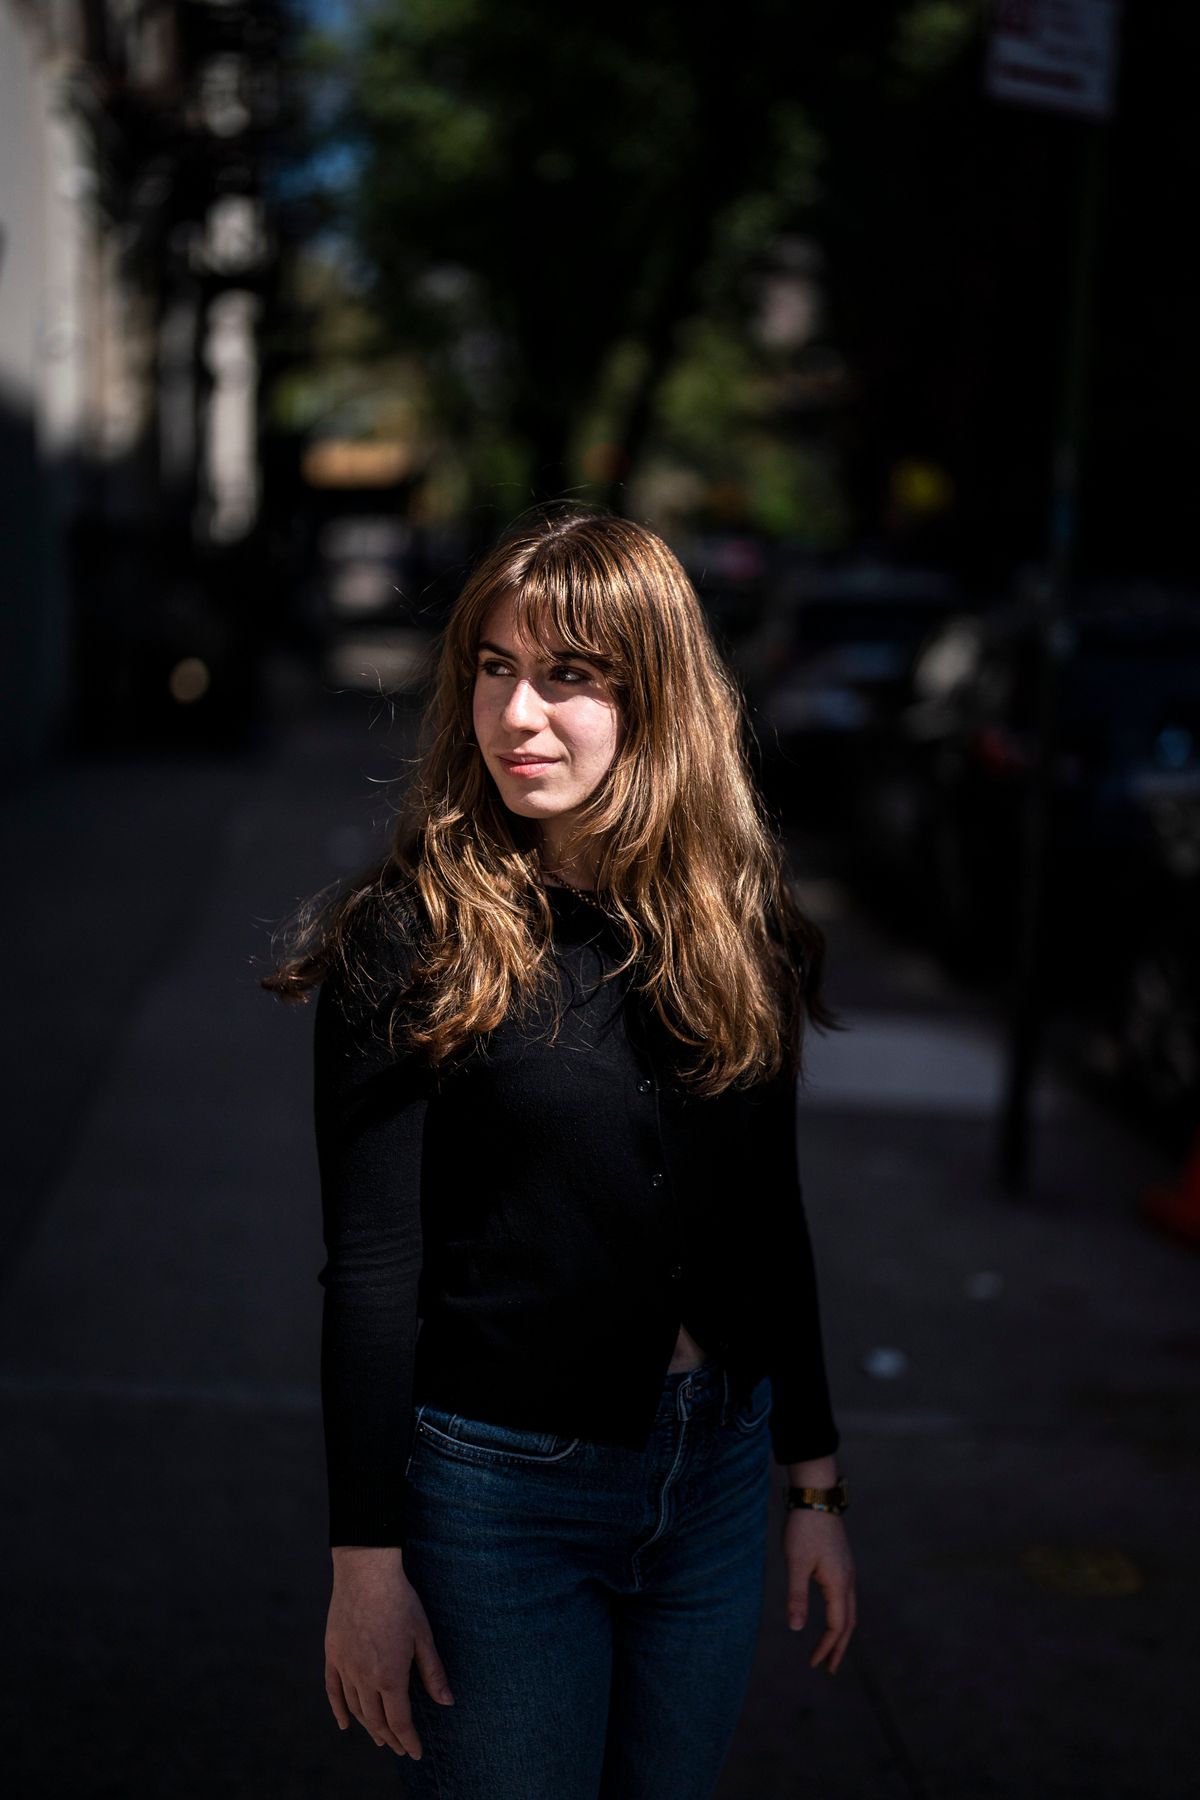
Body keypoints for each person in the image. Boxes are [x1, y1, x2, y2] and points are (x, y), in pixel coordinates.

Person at [263, 507, 856, 1799]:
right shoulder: (408, 937)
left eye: (570, 676)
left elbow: (768, 1212)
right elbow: (371, 1270)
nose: (518, 713)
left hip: (713, 1480)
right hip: (500, 1498)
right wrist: (364, 1562)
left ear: (658, 700)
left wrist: (813, 1486)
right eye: (494, 667)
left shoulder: (729, 922)